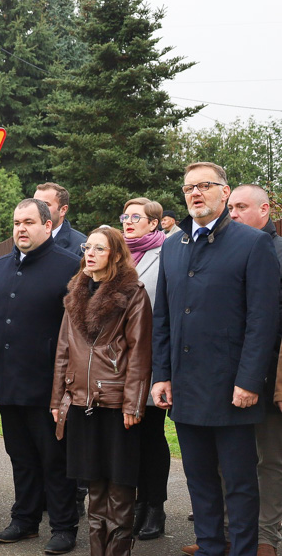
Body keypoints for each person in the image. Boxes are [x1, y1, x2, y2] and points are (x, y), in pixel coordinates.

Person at [152, 162, 279, 556]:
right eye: (189, 187)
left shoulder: (251, 243)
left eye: (205, 185)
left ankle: (242, 550)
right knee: (200, 479)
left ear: (224, 193)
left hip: (232, 389)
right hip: (186, 387)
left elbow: (263, 320)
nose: (195, 193)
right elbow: (164, 317)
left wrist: (249, 381)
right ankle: (210, 546)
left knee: (240, 483)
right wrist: (162, 374)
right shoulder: (173, 245)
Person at [0, 198, 81, 554]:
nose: (21, 228)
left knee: (55, 458)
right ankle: (25, 519)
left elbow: (79, 331)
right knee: (20, 455)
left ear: (47, 226)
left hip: (49, 383)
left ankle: (64, 526)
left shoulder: (70, 266)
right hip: (6, 378)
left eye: (29, 222)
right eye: (17, 222)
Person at [51, 226, 153, 556]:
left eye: (99, 248)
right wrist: (58, 399)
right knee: (93, 486)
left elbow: (139, 352)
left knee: (120, 487)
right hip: (80, 401)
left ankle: (118, 551)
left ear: (116, 254)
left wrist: (133, 405)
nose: (90, 253)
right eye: (87, 247)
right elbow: (64, 349)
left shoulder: (133, 292)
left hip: (116, 401)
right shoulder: (75, 293)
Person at [227, 184, 282, 556]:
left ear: (265, 210)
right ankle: (230, 533)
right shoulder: (226, 248)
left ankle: (266, 538)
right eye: (230, 207)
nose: (233, 213)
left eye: (241, 207)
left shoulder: (276, 251)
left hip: (271, 373)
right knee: (229, 457)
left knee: (270, 459)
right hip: (232, 371)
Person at [120, 197, 169, 540]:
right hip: (118, 362)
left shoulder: (166, 256)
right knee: (127, 436)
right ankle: (135, 503)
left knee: (151, 434)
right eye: (125, 216)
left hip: (152, 360)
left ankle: (155, 506)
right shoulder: (118, 255)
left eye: (136, 216)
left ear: (154, 223)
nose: (128, 221)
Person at [34, 182, 86, 257]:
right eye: (35, 204)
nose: (38, 209)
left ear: (63, 210)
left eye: (45, 205)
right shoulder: (23, 239)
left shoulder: (81, 246)